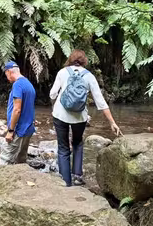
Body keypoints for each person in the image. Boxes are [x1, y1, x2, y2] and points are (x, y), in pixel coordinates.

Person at [49, 49, 122, 186]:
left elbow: (52, 94)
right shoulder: (89, 76)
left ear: (70, 59)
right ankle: (77, 176)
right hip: (80, 117)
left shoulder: (62, 72)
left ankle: (66, 182)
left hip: (60, 114)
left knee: (63, 147)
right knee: (77, 143)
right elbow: (100, 102)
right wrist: (112, 122)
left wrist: (57, 99)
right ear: (84, 61)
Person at [0, 61, 36, 165]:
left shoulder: (17, 85)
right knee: (21, 161)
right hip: (28, 129)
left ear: (9, 72)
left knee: (5, 160)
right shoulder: (29, 84)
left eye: (6, 74)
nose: (7, 78)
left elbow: (17, 109)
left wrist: (11, 130)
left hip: (18, 130)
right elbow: (30, 106)